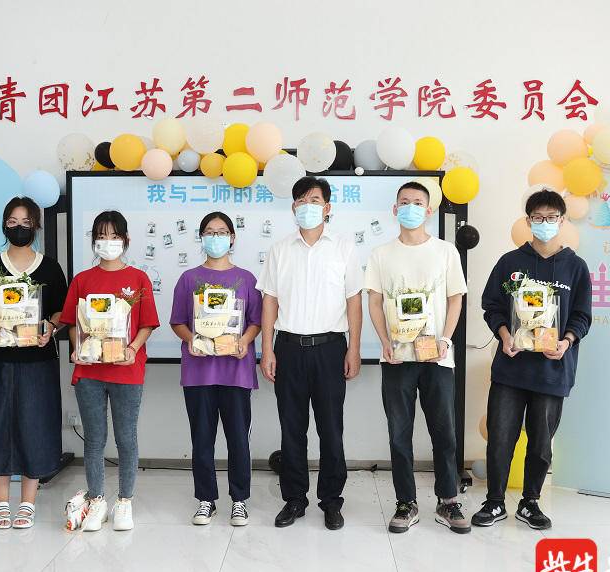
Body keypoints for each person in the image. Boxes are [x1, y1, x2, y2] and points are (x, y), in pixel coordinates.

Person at [474, 189, 592, 530]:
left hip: (553, 370)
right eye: (538, 218)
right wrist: (504, 334)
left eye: (551, 218)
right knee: (500, 437)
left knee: (541, 443)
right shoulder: (510, 263)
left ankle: (530, 502)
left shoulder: (575, 267)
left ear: (562, 221)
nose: (544, 223)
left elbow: (582, 316)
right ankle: (495, 502)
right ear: (528, 221)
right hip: (511, 368)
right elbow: (491, 305)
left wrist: (567, 342)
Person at [257, 176, 363, 530]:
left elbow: (354, 302)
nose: (307, 206)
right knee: (292, 429)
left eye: (314, 200)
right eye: (301, 201)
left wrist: (354, 349)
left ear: (327, 207)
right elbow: (269, 301)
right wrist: (267, 349)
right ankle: (294, 499)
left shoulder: (343, 247)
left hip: (331, 348)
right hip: (288, 348)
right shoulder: (280, 249)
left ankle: (331, 501)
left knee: (331, 429)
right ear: (293, 207)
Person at [364, 181, 470, 534]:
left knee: (444, 432)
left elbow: (455, 298)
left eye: (417, 202)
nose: (410, 207)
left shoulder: (445, 252)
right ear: (395, 210)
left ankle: (448, 500)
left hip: (436, 358)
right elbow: (374, 301)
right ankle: (405, 502)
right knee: (399, 434)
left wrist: (445, 339)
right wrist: (384, 342)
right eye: (404, 202)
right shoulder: (381, 254)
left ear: (429, 210)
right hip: (398, 358)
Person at [0, 197, 67, 529]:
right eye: (12, 221)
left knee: (35, 425)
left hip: (38, 361)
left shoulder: (50, 268)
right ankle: (0, 503)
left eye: (25, 222)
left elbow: (62, 311)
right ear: (4, 225)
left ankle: (28, 503)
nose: (19, 227)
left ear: (36, 226)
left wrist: (50, 328)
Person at [59, 210, 159, 532]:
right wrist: (78, 347)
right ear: (93, 241)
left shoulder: (138, 279)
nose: (107, 242)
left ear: (126, 240)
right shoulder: (82, 280)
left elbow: (146, 324)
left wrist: (132, 349)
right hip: (89, 372)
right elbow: (72, 322)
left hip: (127, 371)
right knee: (94, 439)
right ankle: (97, 500)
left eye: (114, 236)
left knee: (126, 438)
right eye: (101, 236)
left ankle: (124, 501)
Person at [170, 211, 262, 526]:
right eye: (210, 232)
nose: (216, 237)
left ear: (232, 238)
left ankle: (240, 500)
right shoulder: (188, 279)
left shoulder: (247, 279)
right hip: (198, 372)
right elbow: (177, 322)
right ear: (201, 237)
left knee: (238, 439)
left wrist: (244, 341)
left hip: (236, 372)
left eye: (222, 232)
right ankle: (206, 499)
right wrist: (192, 339)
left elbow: (255, 321)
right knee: (202, 439)